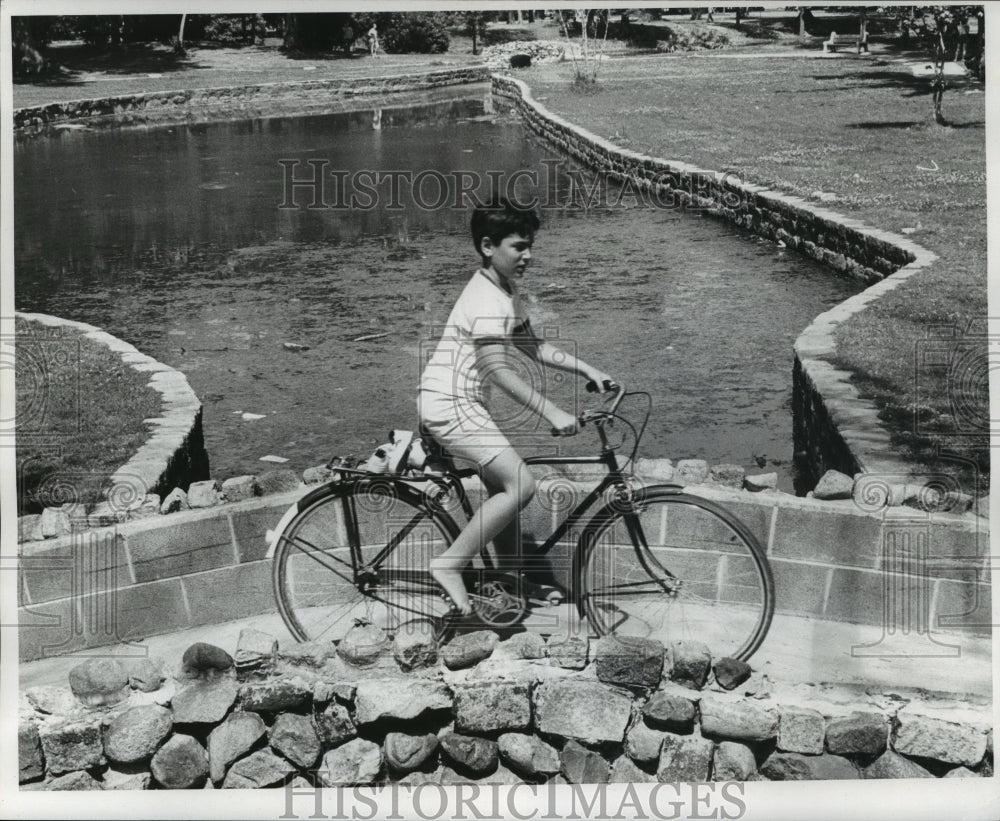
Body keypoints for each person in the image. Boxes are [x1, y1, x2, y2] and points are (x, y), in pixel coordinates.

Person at [417, 199, 615, 615]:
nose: (529, 256)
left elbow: (533, 346)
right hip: (450, 405)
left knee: (502, 488)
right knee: (522, 485)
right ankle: (450, 565)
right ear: (488, 246)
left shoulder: (505, 291)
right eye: (519, 247)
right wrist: (552, 412)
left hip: (463, 403)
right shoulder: (486, 301)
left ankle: (510, 581)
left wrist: (589, 370)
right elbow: (497, 370)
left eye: (530, 246)